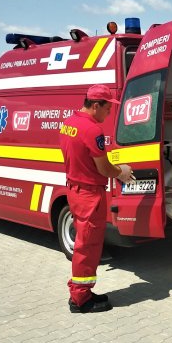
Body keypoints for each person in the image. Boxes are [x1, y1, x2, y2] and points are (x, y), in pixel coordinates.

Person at [59, 84, 134, 313]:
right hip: (90, 193)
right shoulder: (92, 130)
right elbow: (103, 168)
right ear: (95, 105)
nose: (109, 113)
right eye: (107, 108)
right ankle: (81, 299)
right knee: (88, 246)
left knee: (86, 243)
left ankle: (83, 291)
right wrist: (121, 170)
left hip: (76, 189)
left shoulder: (69, 123)